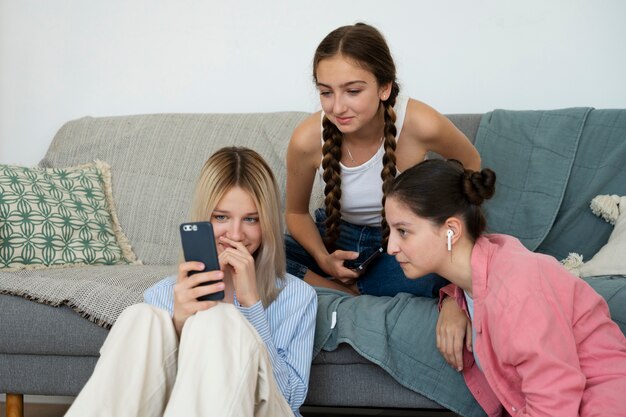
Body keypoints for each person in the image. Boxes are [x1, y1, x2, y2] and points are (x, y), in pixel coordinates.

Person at [65, 147, 317, 417]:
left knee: (219, 318)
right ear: (203, 218)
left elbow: (290, 400)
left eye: (251, 219)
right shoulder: (165, 294)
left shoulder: (299, 296)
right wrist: (179, 325)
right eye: (221, 217)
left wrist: (250, 305)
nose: (235, 234)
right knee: (141, 317)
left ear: (267, 223)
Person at [384, 158, 626, 416]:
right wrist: (452, 301)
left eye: (403, 231)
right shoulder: (481, 273)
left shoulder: (515, 293)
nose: (391, 247)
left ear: (451, 231)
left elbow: (555, 406)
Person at [285, 22, 480, 298]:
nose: (337, 107)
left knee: (429, 278)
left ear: (384, 88)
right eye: (326, 92)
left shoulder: (421, 123)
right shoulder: (306, 139)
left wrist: (440, 229)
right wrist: (322, 258)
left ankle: (338, 289)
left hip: (399, 244)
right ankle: (340, 286)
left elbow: (471, 164)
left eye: (353, 91)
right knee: (261, 254)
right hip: (334, 238)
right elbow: (295, 213)